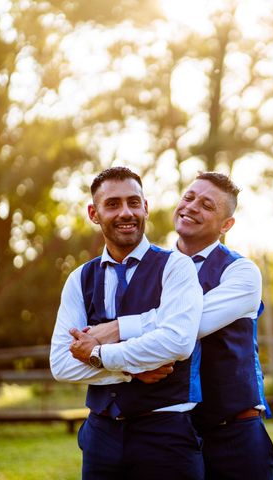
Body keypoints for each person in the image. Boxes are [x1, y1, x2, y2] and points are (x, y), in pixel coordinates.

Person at [88, 172, 273, 480]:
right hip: (174, 431)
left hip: (233, 432)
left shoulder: (242, 273)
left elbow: (186, 327)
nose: (191, 207)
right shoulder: (154, 268)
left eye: (206, 205)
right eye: (188, 198)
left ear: (226, 225)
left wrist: (118, 328)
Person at [49, 166, 204, 480]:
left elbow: (177, 342)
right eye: (113, 204)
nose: (126, 213)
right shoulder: (80, 278)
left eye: (134, 202)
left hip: (166, 436)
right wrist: (131, 368)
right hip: (101, 435)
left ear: (145, 207)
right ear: (94, 213)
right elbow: (62, 362)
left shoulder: (176, 267)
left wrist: (99, 354)